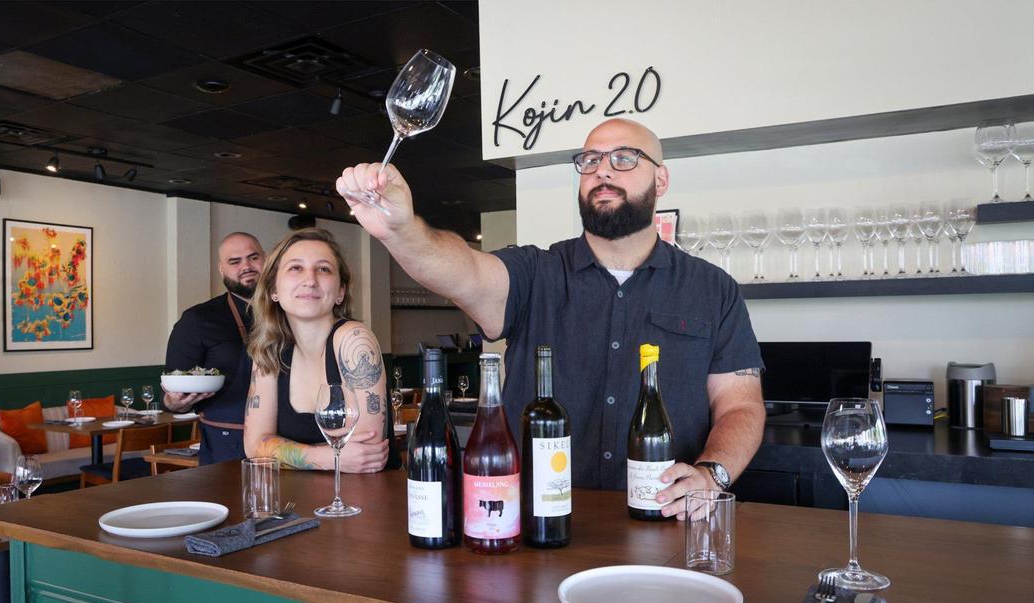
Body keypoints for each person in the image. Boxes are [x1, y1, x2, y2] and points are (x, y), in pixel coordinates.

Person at [336, 118, 765, 519]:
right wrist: (400, 229)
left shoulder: (713, 289)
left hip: (666, 518)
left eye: (624, 158)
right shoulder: (534, 273)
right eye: (590, 161)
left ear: (661, 179)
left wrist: (713, 474)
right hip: (537, 522)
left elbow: (741, 405)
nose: (603, 171)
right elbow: (461, 271)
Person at [242, 228, 392, 473]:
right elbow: (255, 446)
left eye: (323, 269)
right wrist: (325, 457)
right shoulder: (269, 350)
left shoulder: (354, 339)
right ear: (273, 290)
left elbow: (367, 453)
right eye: (295, 268)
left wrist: (287, 452)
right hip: (296, 503)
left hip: (365, 500)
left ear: (341, 292)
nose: (310, 280)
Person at [163, 232, 264, 465]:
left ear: (266, 260)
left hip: (288, 438)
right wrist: (175, 402)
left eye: (253, 257)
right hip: (226, 442)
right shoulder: (197, 320)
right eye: (235, 261)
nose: (246, 266)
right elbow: (172, 391)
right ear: (221, 269)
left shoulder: (292, 311)